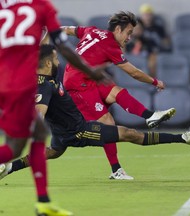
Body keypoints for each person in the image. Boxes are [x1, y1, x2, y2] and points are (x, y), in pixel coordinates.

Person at [0, 44, 190, 180]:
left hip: (62, 134)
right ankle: (183, 138)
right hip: (78, 131)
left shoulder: (44, 78)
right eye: (54, 60)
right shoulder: (44, 86)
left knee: (51, 153)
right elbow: (39, 113)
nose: (57, 62)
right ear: (46, 64)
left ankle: (7, 169)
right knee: (129, 134)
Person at [0, 0, 107, 215]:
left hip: (4, 80)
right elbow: (63, 47)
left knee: (35, 134)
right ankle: (43, 203)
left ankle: (43, 202)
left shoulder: (5, 10)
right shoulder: (42, 6)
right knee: (16, 145)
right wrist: (92, 71)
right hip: (20, 83)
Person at [62, 11, 176, 180]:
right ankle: (116, 170)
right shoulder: (110, 45)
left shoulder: (92, 30)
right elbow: (134, 73)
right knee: (108, 122)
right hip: (77, 86)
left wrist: (49, 31)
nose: (129, 37)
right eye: (128, 33)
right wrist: (155, 82)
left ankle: (150, 116)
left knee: (117, 92)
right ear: (117, 29)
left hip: (88, 80)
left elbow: (67, 29)